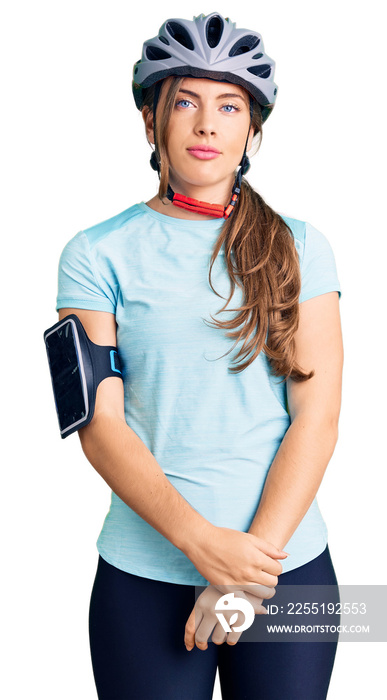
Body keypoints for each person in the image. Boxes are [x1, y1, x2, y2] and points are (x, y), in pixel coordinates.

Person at [55, 12, 343, 700]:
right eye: (184, 101)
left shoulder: (304, 245)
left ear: (251, 130)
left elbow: (318, 416)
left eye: (228, 105)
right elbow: (98, 425)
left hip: (287, 570)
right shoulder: (94, 253)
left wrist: (244, 573)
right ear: (150, 123)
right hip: (143, 575)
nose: (206, 123)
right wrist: (201, 544)